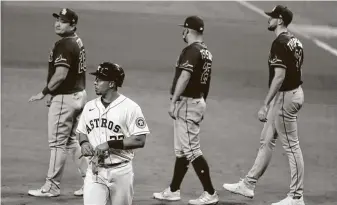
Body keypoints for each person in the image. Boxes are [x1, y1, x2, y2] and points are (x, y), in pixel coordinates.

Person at [223, 5, 305, 205]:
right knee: (266, 140)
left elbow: (279, 76)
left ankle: (296, 197)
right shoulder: (296, 41)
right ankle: (248, 184)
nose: (268, 19)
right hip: (289, 95)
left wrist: (265, 104)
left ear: (280, 20)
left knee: (292, 147)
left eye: (272, 17)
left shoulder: (279, 42)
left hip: (285, 97)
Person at [153, 16, 219, 205]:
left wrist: (174, 101)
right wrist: (201, 102)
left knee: (192, 151)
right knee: (182, 151)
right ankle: (173, 190)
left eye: (184, 29)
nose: (182, 32)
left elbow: (185, 76)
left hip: (188, 103)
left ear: (189, 31)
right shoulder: (206, 52)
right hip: (195, 101)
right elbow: (205, 81)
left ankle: (210, 192)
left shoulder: (191, 51)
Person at [28, 8, 88, 197]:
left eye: (63, 21)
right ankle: (92, 180)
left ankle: (52, 186)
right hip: (79, 95)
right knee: (71, 142)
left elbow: (61, 74)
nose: (57, 23)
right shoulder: (77, 40)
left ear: (73, 25)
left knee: (57, 144)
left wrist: (45, 92)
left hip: (66, 98)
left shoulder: (64, 45)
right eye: (57, 20)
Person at [77, 62, 150, 205]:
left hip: (121, 171)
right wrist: (84, 143)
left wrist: (109, 144)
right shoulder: (89, 106)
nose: (95, 82)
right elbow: (81, 132)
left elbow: (140, 140)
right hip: (95, 171)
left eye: (100, 79)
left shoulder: (130, 108)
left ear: (111, 83)